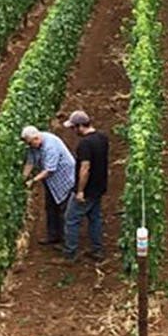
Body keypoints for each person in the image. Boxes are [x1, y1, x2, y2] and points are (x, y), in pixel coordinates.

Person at [62, 110, 109, 262]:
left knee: (71, 219)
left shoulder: (85, 144)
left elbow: (85, 168)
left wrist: (80, 191)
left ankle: (70, 254)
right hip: (99, 186)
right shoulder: (102, 138)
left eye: (73, 128)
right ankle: (97, 250)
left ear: (80, 126)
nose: (73, 131)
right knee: (94, 217)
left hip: (87, 189)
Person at [21, 125, 76, 246]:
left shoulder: (50, 146)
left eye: (31, 143)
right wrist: (23, 178)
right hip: (51, 181)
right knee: (50, 207)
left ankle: (67, 242)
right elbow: (30, 162)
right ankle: (53, 236)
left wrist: (33, 180)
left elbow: (50, 170)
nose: (30, 146)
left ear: (36, 138)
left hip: (64, 179)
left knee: (64, 209)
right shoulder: (34, 145)